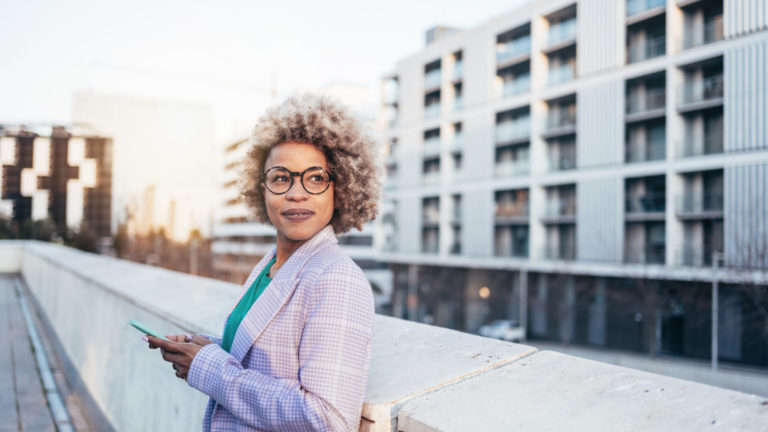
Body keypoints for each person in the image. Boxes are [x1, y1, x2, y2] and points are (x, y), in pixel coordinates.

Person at [145, 93, 380, 431]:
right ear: (262, 190)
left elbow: (327, 419)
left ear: (340, 189)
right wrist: (202, 351)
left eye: (315, 178)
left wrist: (209, 368)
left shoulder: (337, 278)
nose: (296, 193)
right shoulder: (269, 266)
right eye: (281, 178)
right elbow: (263, 362)